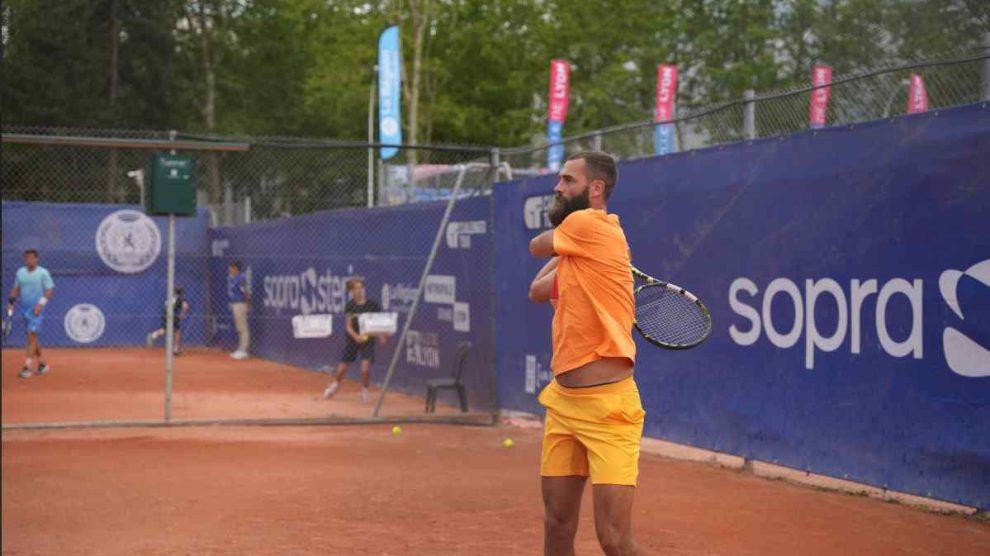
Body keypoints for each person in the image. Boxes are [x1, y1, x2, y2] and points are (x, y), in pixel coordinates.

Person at [527, 152, 643, 556]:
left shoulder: (587, 223)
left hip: (609, 409)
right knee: (557, 525)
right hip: (563, 405)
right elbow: (537, 290)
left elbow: (535, 246)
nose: (558, 188)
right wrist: (571, 253)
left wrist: (565, 247)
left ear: (596, 189)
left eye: (567, 180)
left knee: (615, 541)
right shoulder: (583, 245)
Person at [323, 277, 387, 403]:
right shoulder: (350, 306)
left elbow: (377, 323)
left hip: (368, 340)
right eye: (356, 288)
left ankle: (364, 389)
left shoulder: (373, 305)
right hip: (353, 340)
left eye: (360, 288)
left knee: (365, 369)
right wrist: (356, 337)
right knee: (342, 368)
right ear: (351, 291)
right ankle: (335, 385)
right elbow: (348, 326)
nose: (359, 291)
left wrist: (380, 335)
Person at [7, 249, 55, 379]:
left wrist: (40, 304)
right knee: (32, 338)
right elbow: (16, 289)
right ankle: (42, 365)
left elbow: (49, 290)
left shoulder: (43, 273)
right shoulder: (20, 272)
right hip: (25, 309)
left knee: (31, 335)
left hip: (37, 310)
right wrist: (11, 302)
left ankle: (27, 367)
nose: (29, 260)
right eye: (27, 258)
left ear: (36, 259)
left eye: (31, 258)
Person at [146, 288, 190, 355]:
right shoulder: (180, 298)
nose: (184, 295)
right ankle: (175, 349)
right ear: (181, 294)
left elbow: (165, 306)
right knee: (177, 332)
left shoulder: (171, 298)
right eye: (183, 293)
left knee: (166, 329)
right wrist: (182, 314)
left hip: (165, 314)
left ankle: (153, 335)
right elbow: (185, 306)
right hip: (172, 315)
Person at [227, 261, 251, 359]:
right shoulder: (234, 279)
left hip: (240, 304)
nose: (229, 270)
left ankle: (243, 350)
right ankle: (240, 349)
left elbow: (246, 292)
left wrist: (248, 304)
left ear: (235, 268)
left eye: (231, 268)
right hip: (235, 304)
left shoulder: (241, 278)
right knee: (239, 328)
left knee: (243, 328)